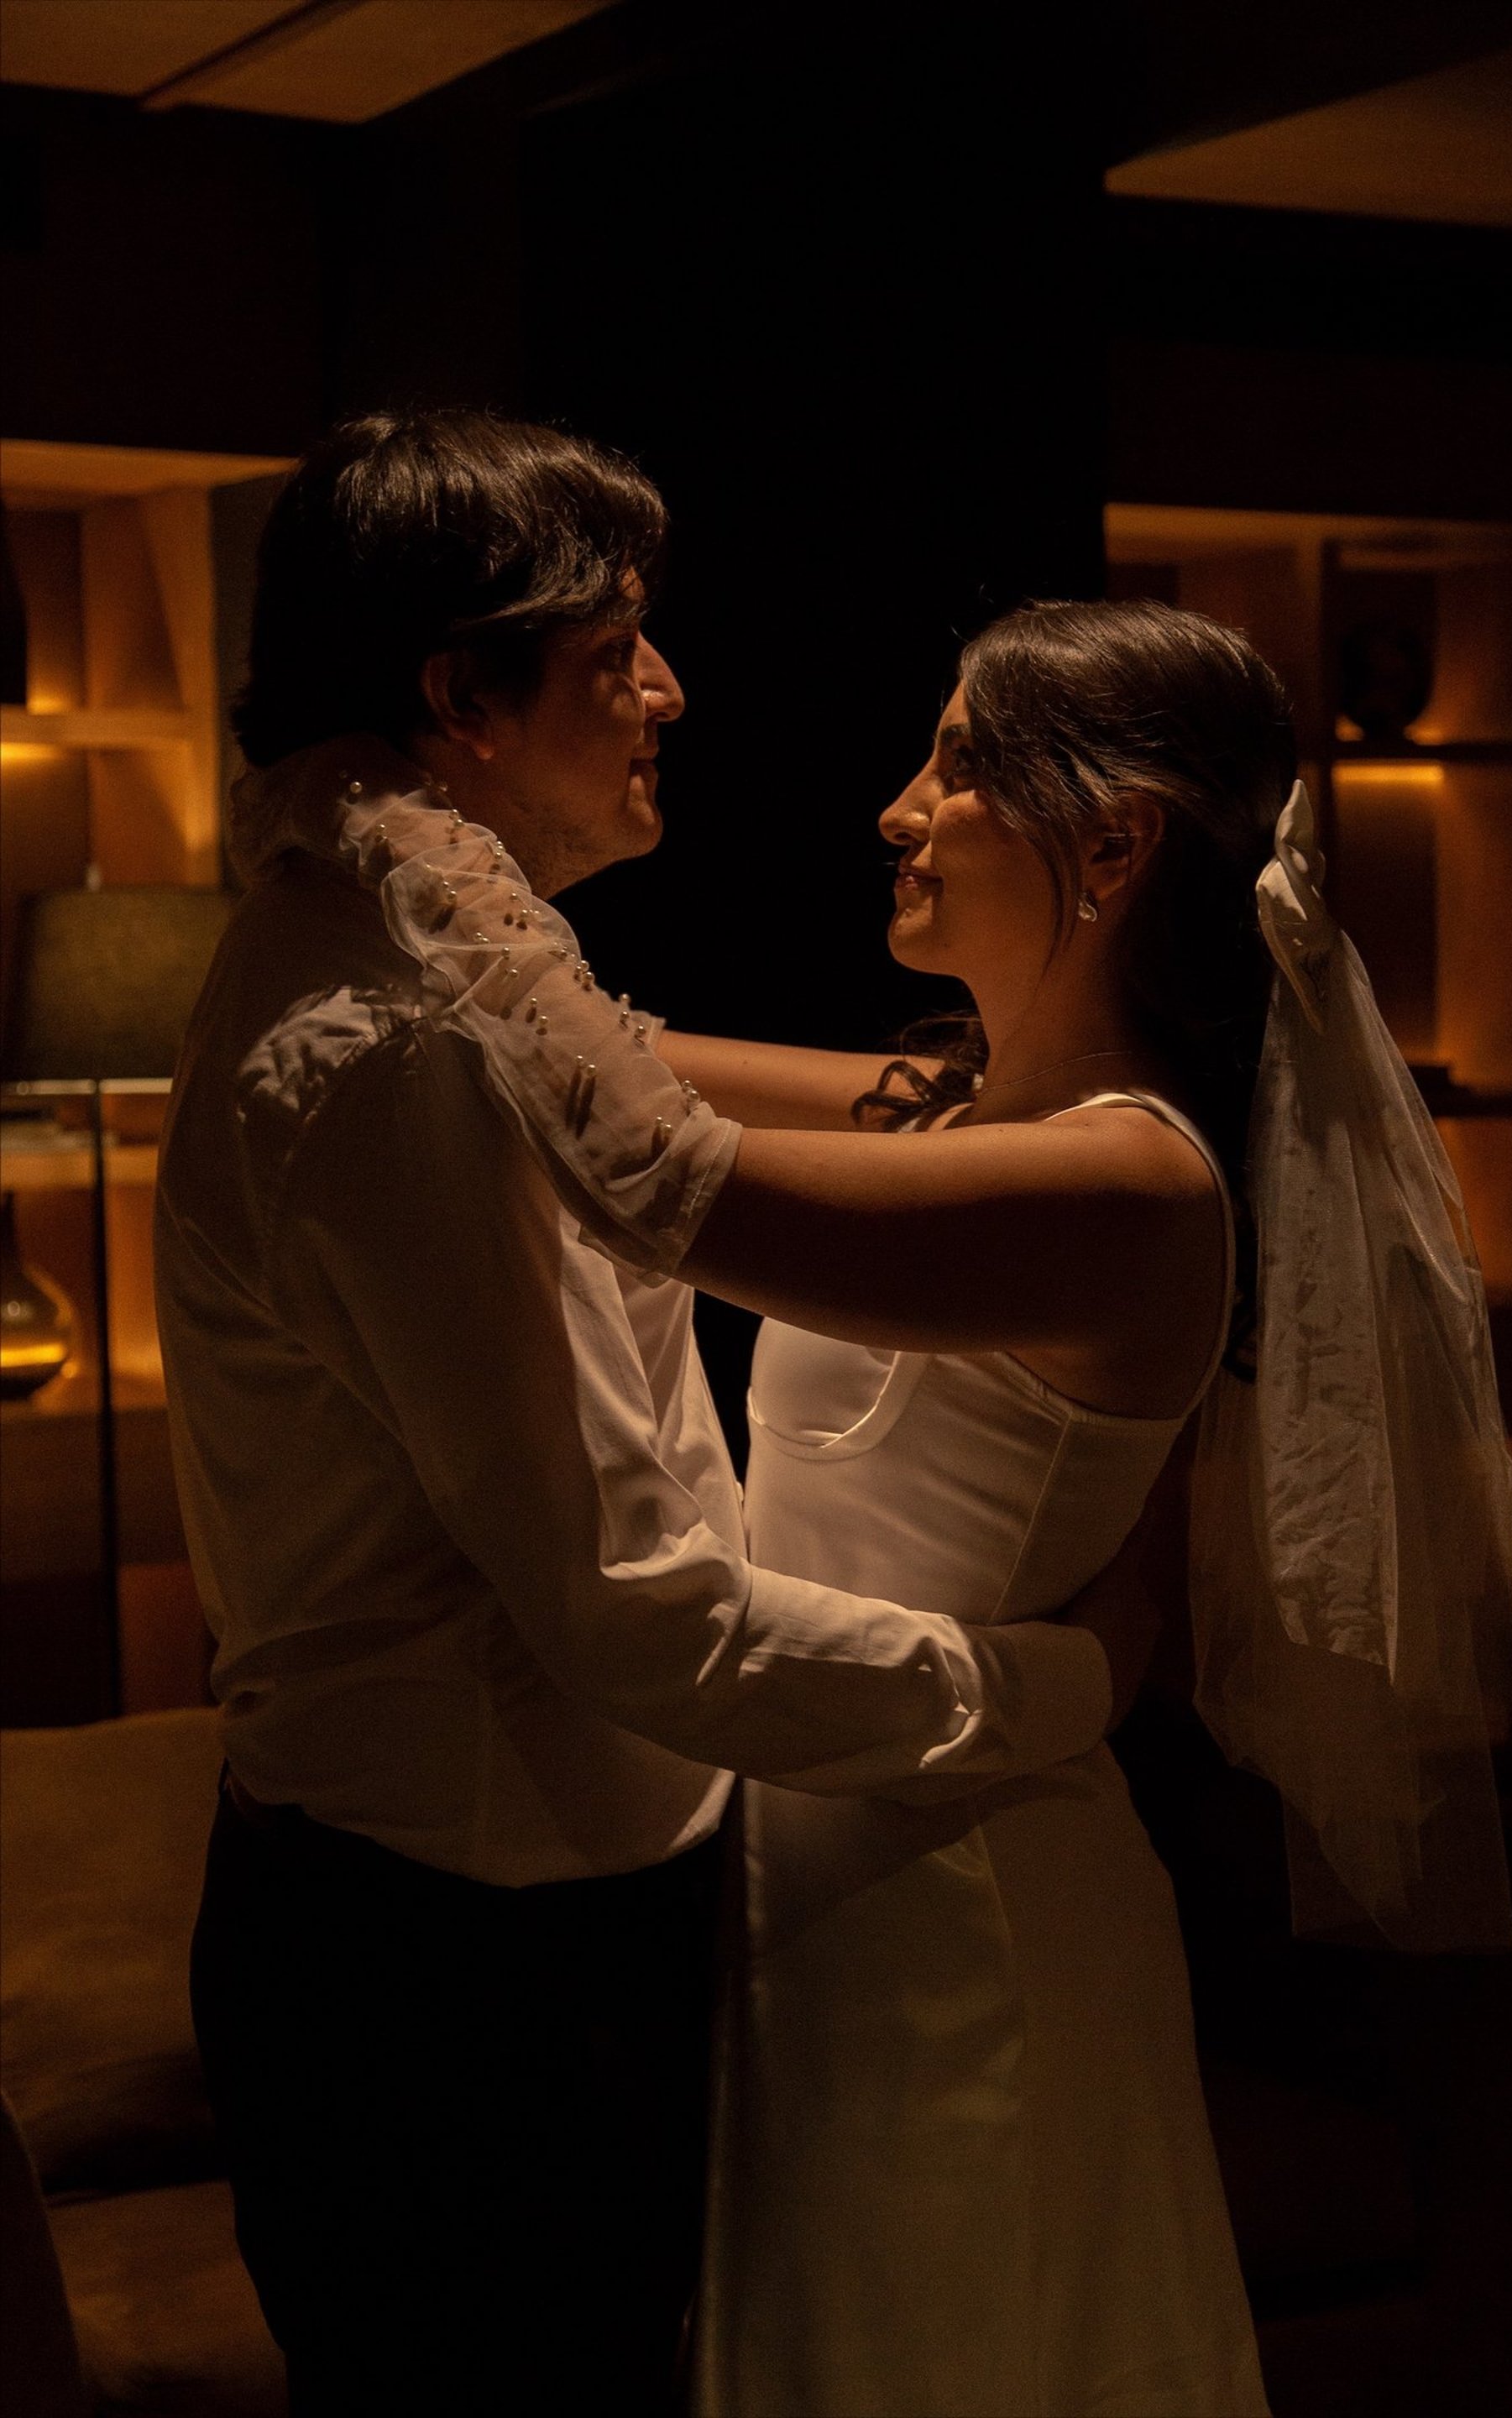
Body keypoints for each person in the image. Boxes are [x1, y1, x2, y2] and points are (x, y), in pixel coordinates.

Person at [310, 594, 1512, 2416]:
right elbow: (621, 1065)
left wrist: (420, 851)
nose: (900, 807)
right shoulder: (944, 1116)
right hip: (830, 1862)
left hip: (966, 1893)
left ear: (1110, 847)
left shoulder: (1132, 1190)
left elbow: (654, 1180)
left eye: (958, 765)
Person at [155, 412, 1150, 2418]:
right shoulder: (402, 1050)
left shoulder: (437, 962)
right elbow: (638, 1614)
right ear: (464, 699)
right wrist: (1078, 1685)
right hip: (457, 1985)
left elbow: (659, 1091)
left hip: (498, 1936)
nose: (672, 692)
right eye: (618, 650)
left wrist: (989, 1105)